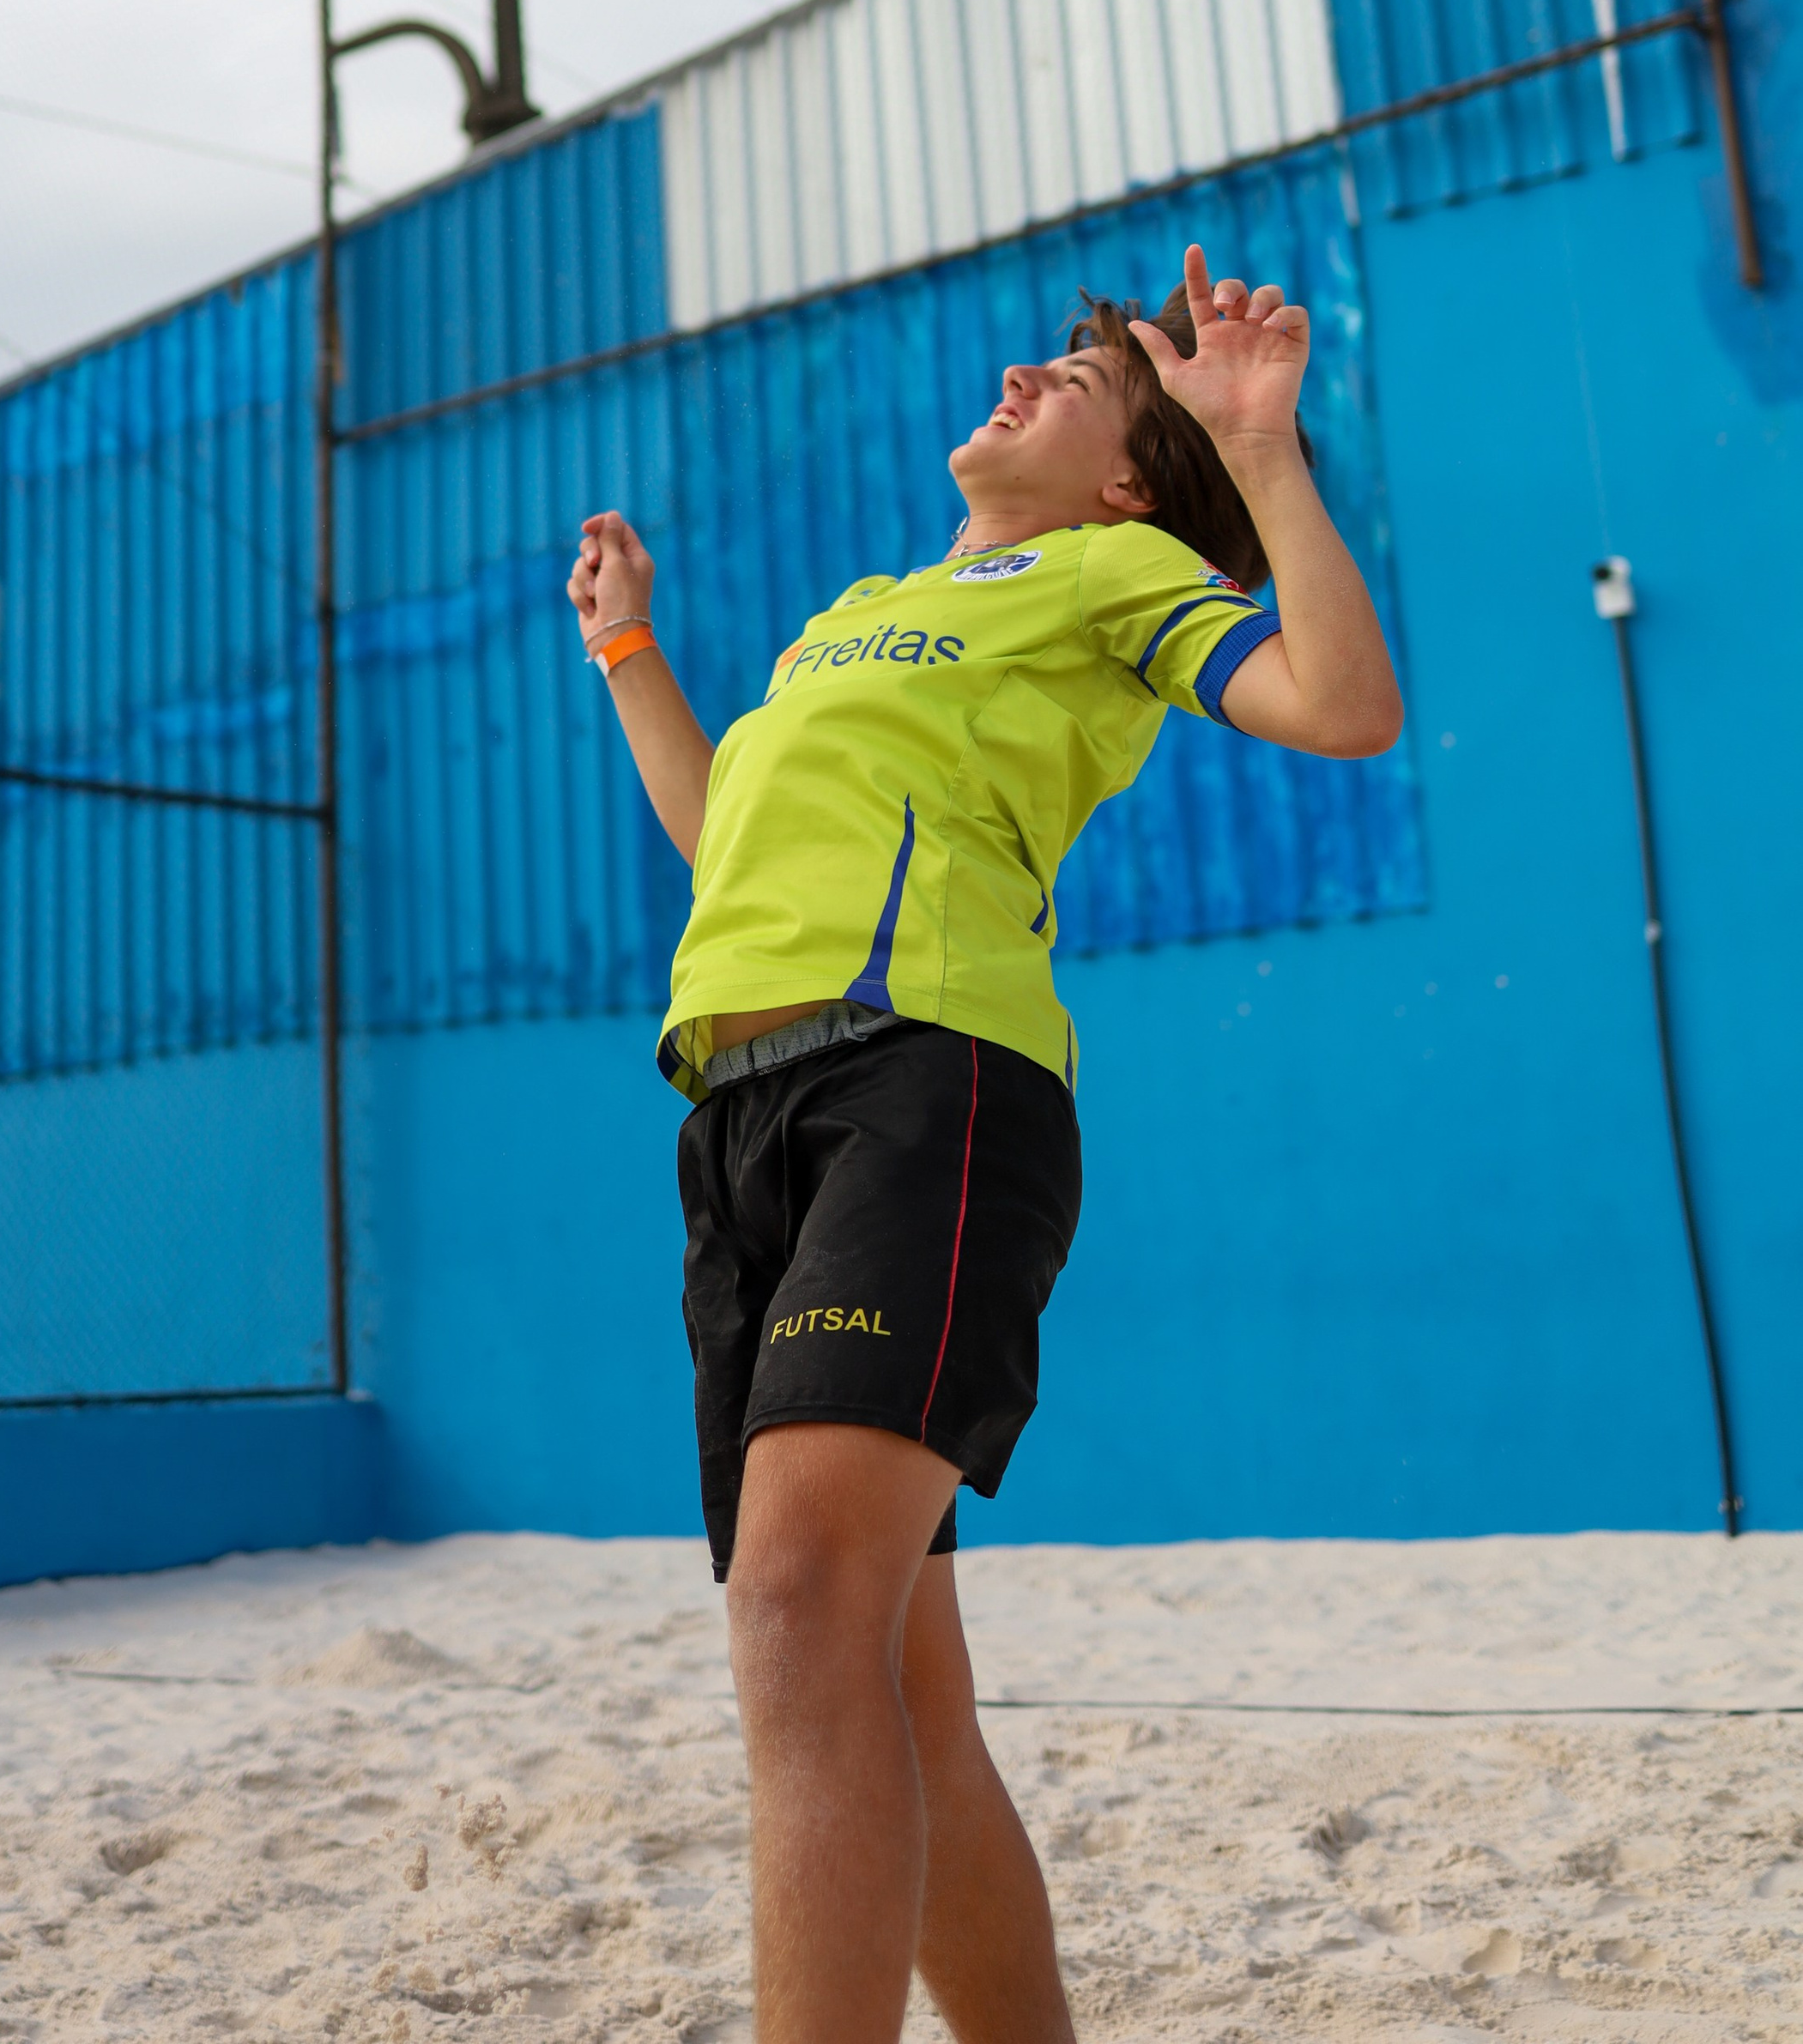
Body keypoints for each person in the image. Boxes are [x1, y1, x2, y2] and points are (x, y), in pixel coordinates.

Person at [566, 246, 1401, 2044]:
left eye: (1079, 381)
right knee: (893, 1693)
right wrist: (628, 651)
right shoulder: (854, 612)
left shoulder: (1120, 573)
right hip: (738, 1123)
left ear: (1122, 475)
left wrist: (1255, 450)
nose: (1026, 375)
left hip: (925, 1091)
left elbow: (1338, 708)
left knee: (795, 1614)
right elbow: (728, 840)